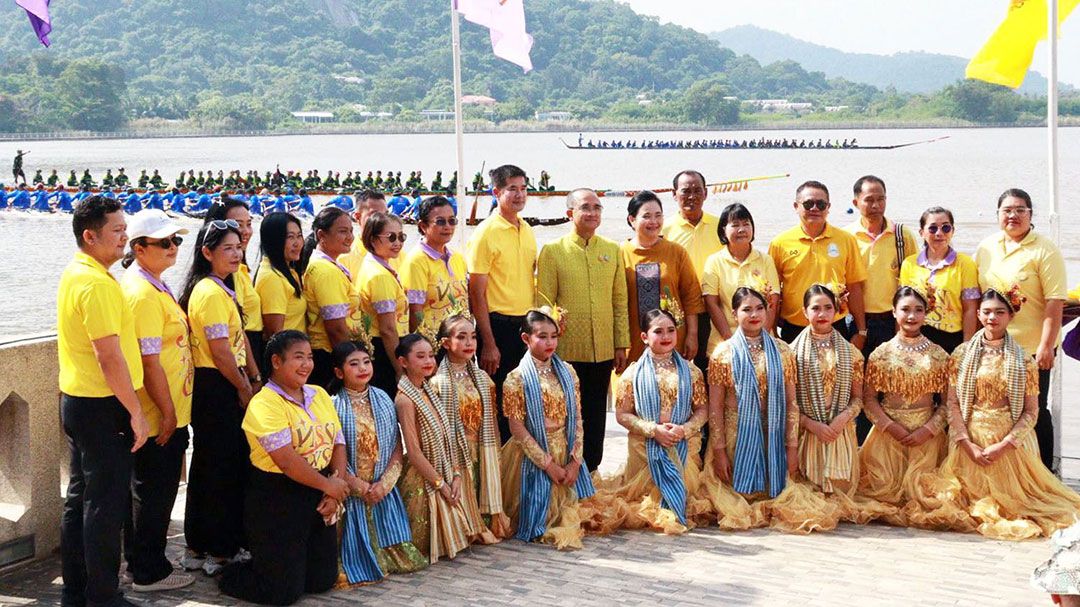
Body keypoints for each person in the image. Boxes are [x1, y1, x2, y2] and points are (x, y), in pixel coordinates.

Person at [930, 289, 1080, 540]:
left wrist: (1003, 445)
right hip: (969, 441)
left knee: (1023, 506)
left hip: (1009, 445)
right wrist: (966, 443)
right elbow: (952, 404)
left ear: (1011, 316)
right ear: (978, 314)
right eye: (987, 312)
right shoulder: (961, 355)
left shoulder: (1024, 359)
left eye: (1000, 312)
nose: (992, 318)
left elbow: (1032, 412)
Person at [58, 195, 149, 607]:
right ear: (89, 236)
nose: (124, 236)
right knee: (105, 505)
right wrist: (135, 411)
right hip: (102, 404)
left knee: (81, 499)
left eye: (124, 228)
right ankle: (102, 596)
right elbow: (108, 355)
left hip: (78, 400)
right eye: (116, 230)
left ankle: (78, 591)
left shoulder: (77, 273)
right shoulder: (95, 283)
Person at [219, 331, 348, 605]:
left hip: (319, 487)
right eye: (298, 357)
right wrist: (330, 487)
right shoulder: (264, 403)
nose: (307, 364)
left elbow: (338, 441)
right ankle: (234, 571)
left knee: (322, 580)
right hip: (277, 496)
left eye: (310, 357)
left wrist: (333, 490)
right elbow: (286, 461)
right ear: (276, 362)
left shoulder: (320, 394)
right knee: (282, 593)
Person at [699, 288, 836, 534]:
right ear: (734, 313)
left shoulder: (783, 351)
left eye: (759, 308)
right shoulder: (723, 353)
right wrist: (719, 451)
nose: (754, 315)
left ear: (768, 311)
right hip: (734, 438)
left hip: (772, 436)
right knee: (734, 500)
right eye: (747, 309)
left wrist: (792, 448)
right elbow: (715, 407)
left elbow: (791, 404)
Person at [119, 210, 196, 592]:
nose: (173, 248)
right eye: (164, 242)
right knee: (153, 491)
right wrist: (166, 412)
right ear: (138, 248)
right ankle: (147, 569)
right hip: (155, 412)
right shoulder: (142, 294)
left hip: (170, 408)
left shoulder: (155, 285)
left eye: (176, 241)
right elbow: (149, 362)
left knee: (157, 490)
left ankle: (147, 562)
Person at [178, 219, 258, 575]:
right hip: (218, 385)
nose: (236, 254)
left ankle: (201, 545)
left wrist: (253, 377)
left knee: (212, 466)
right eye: (227, 248)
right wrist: (243, 387)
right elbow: (221, 350)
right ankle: (219, 550)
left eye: (239, 247)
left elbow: (239, 341)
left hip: (227, 380)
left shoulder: (222, 288)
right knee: (222, 468)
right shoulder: (209, 293)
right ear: (207, 253)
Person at [536, 188, 629, 472]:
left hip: (602, 346)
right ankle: (567, 470)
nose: (592, 213)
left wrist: (621, 343)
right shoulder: (553, 251)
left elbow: (619, 300)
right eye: (585, 207)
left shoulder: (611, 250)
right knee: (566, 414)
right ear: (570, 213)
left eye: (597, 208)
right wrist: (546, 346)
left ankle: (593, 472)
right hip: (565, 350)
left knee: (596, 411)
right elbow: (544, 304)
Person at [592, 308, 707, 536]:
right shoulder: (632, 374)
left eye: (671, 330)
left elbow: (702, 409)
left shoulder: (691, 372)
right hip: (645, 446)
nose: (666, 337)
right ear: (644, 337)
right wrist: (653, 430)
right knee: (639, 504)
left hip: (681, 442)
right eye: (658, 331)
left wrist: (684, 430)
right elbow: (622, 415)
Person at [975, 188, 1067, 472]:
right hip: (993, 347)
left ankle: (1045, 471)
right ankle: (1009, 471)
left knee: (1035, 411)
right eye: (1007, 210)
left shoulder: (1044, 249)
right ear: (998, 214)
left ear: (1030, 214)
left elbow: (1055, 301)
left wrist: (1046, 346)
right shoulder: (987, 247)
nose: (1013, 215)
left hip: (1031, 347)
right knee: (999, 410)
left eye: (1020, 210)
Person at [331, 340, 428, 586]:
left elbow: (397, 445)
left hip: (382, 489)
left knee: (409, 561)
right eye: (354, 364)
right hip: (352, 492)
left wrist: (385, 483)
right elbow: (333, 452)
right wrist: (358, 486)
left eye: (366, 362)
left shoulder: (384, 398)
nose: (363, 368)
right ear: (339, 372)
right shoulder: (332, 405)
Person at [499, 309, 598, 548]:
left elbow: (577, 418)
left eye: (554, 336)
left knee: (579, 513)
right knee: (543, 520)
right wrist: (549, 465)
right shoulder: (516, 378)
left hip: (565, 449)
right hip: (531, 454)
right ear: (526, 339)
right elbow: (517, 427)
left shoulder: (568, 372)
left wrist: (575, 461)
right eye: (542, 336)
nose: (550, 342)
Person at [395, 334, 497, 562]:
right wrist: (441, 484)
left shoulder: (427, 390)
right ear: (403, 362)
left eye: (431, 355)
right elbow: (413, 451)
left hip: (443, 473)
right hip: (424, 478)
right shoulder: (405, 400)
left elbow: (447, 436)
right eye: (420, 356)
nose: (428, 361)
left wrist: (457, 475)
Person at [857, 286, 951, 528]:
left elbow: (947, 403)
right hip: (886, 440)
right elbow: (869, 400)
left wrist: (928, 430)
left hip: (927, 441)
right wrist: (890, 427)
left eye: (918, 310)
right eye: (905, 310)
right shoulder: (880, 354)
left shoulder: (939, 355)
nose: (912, 316)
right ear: (893, 312)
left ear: (926, 313)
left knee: (931, 499)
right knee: (877, 494)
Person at [791, 284, 885, 521]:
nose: (821, 314)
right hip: (807, 434)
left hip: (839, 433)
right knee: (806, 497)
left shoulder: (851, 353)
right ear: (804, 312)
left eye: (827, 308)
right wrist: (813, 425)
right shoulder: (790, 353)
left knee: (838, 499)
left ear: (837, 311)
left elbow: (858, 399)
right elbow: (787, 403)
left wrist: (840, 421)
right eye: (815, 308)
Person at [466, 165, 538, 442]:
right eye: (512, 189)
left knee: (521, 402)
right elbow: (476, 293)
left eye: (523, 188)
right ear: (496, 192)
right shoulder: (486, 233)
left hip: (524, 326)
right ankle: (499, 474)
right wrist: (489, 342)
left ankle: (518, 469)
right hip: (498, 326)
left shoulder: (527, 228)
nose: (519, 195)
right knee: (500, 406)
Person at [430, 314, 513, 538]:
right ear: (446, 343)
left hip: (481, 447)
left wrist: (495, 452)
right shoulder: (437, 383)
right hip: (455, 454)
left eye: (474, 337)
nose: (469, 343)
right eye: (462, 337)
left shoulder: (483, 379)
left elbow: (493, 420)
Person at [769, 181, 868, 346]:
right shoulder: (780, 243)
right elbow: (773, 293)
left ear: (828, 207)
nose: (815, 208)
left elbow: (854, 286)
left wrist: (861, 331)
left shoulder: (845, 240)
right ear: (796, 206)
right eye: (808, 204)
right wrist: (772, 332)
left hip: (835, 325)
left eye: (821, 204)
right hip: (794, 328)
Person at [620, 190, 703, 364]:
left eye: (658, 215)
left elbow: (691, 297)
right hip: (633, 339)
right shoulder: (620, 253)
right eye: (647, 216)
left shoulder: (676, 252)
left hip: (672, 338)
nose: (654, 222)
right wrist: (617, 344)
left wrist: (693, 335)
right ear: (632, 220)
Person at [842, 176, 919, 358]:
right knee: (856, 376)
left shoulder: (902, 235)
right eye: (869, 200)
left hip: (892, 319)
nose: (876, 205)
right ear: (856, 202)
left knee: (890, 378)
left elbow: (913, 281)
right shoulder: (846, 237)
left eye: (880, 199)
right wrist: (860, 330)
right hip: (855, 320)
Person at [661, 170, 721, 371]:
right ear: (674, 194)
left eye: (697, 191)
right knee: (677, 366)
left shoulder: (720, 225)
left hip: (714, 307)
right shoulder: (664, 229)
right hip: (678, 309)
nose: (692, 197)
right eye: (686, 191)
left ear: (706, 193)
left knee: (711, 365)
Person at [701, 203, 780, 356]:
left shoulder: (765, 260)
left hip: (762, 341)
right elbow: (712, 304)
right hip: (726, 342)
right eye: (735, 225)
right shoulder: (714, 261)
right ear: (723, 229)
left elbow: (772, 302)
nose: (742, 230)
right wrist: (731, 340)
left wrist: (760, 340)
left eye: (746, 224)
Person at [899, 207, 980, 353]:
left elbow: (970, 309)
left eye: (946, 228)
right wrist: (900, 342)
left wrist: (966, 347)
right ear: (922, 233)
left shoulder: (964, 263)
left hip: (952, 339)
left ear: (952, 231)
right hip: (918, 337)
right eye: (932, 228)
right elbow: (901, 308)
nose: (939, 233)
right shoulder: (909, 264)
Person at [301, 206, 362, 388]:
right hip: (330, 355)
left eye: (351, 231)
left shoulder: (328, 265)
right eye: (342, 232)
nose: (350, 237)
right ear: (321, 235)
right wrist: (348, 365)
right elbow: (335, 328)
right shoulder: (326, 271)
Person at [205, 198, 263, 375]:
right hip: (242, 358)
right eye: (238, 225)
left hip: (251, 351)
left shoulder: (239, 269)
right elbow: (236, 331)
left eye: (249, 224)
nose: (245, 231)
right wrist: (252, 376)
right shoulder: (225, 274)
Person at [400, 196, 470, 342]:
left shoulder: (457, 258)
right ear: (423, 226)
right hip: (433, 344)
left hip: (460, 343)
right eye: (440, 222)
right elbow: (414, 311)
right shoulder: (416, 261)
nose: (448, 227)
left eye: (452, 221)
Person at [357, 212, 410, 399]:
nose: (398, 243)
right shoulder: (379, 276)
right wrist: (399, 368)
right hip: (385, 351)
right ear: (372, 240)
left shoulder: (375, 266)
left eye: (401, 237)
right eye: (391, 237)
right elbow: (387, 328)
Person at [254, 213, 307, 346]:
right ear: (273, 240)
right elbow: (275, 335)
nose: (297, 243)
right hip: (289, 357)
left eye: (299, 236)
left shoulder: (288, 271)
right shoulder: (272, 278)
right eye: (290, 237)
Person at [339, 189, 389, 284]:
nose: (383, 221)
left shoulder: (397, 253)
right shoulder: (343, 257)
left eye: (386, 215)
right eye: (375, 215)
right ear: (357, 217)